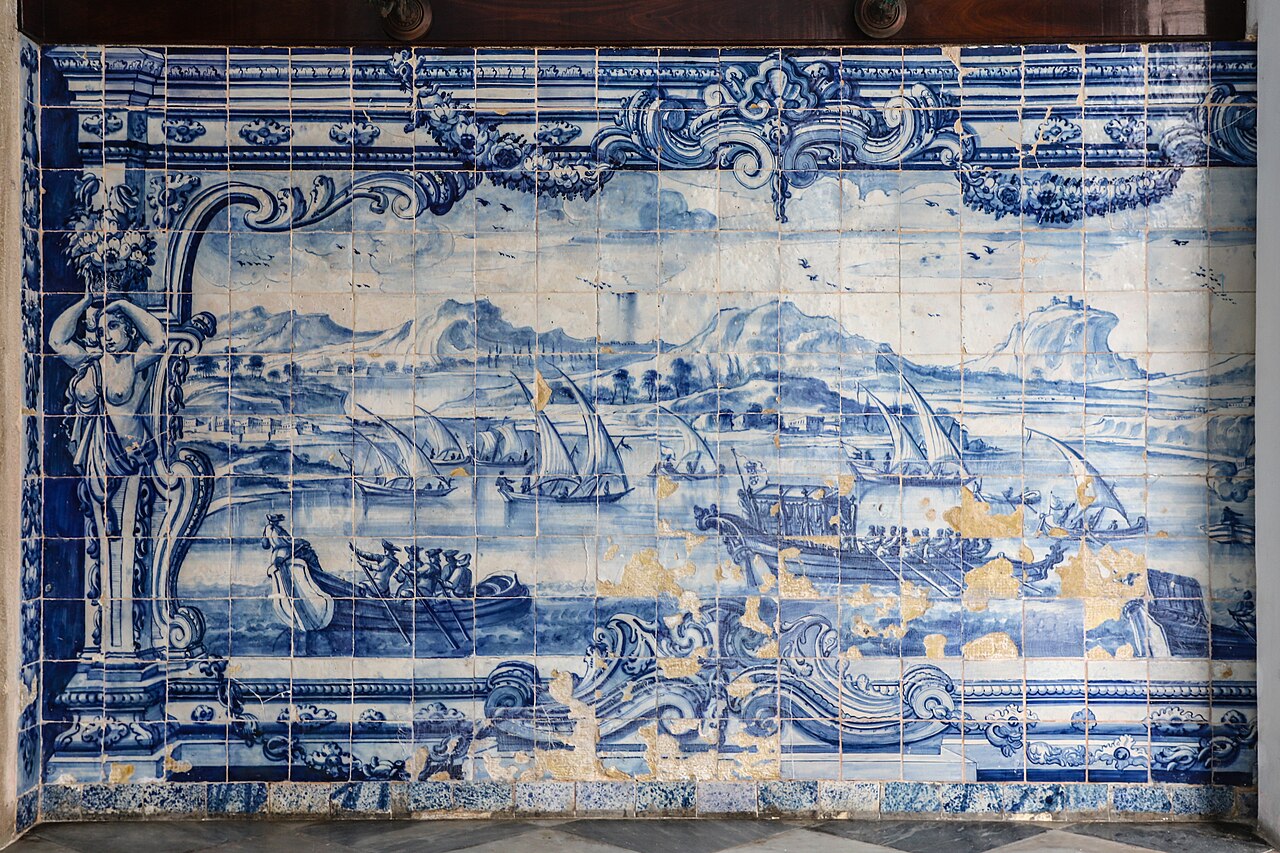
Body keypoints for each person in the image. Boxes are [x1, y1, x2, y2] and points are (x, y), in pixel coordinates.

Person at [50, 294, 167, 533]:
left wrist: (124, 305)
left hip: (134, 452)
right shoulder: (90, 362)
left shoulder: (134, 362)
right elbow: (57, 341)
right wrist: (85, 302)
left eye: (113, 327)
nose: (108, 338)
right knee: (98, 504)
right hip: (98, 455)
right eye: (102, 332)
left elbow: (159, 342)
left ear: (130, 331)